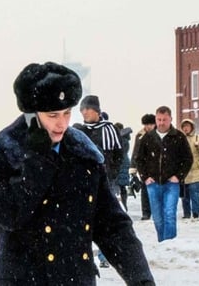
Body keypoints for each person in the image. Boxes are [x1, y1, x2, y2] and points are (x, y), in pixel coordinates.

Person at [0, 62, 155, 285]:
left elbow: (112, 226)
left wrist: (141, 279)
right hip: (24, 279)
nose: (62, 123)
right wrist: (37, 160)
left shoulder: (85, 155)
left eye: (67, 113)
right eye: (52, 115)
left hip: (75, 277)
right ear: (32, 114)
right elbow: (10, 216)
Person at [74, 95, 123, 269]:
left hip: (105, 181)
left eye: (88, 108)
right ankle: (83, 255)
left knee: (105, 220)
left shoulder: (109, 129)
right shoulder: (77, 130)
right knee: (81, 220)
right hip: (82, 182)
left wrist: (111, 174)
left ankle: (104, 256)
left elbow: (118, 154)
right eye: (82, 109)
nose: (85, 112)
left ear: (97, 110)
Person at [133, 105, 192, 243]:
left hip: (171, 183)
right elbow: (139, 159)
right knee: (158, 217)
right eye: (159, 119)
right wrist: (145, 177)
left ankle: (169, 244)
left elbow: (188, 158)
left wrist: (179, 176)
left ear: (170, 119)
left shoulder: (178, 137)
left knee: (169, 213)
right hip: (153, 183)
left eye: (164, 119)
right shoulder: (148, 138)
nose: (161, 122)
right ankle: (162, 242)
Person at [178, 118, 199, 219]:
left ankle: (195, 214)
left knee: (195, 194)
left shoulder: (198, 138)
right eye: (184, 126)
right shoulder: (180, 139)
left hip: (196, 171)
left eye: (187, 126)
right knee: (185, 196)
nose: (185, 128)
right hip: (184, 173)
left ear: (191, 127)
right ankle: (186, 214)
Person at [131, 113, 156, 220]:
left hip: (157, 167)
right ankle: (146, 213)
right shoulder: (140, 136)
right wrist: (133, 169)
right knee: (145, 191)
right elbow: (135, 152)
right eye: (146, 124)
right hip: (144, 167)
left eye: (150, 124)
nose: (148, 126)